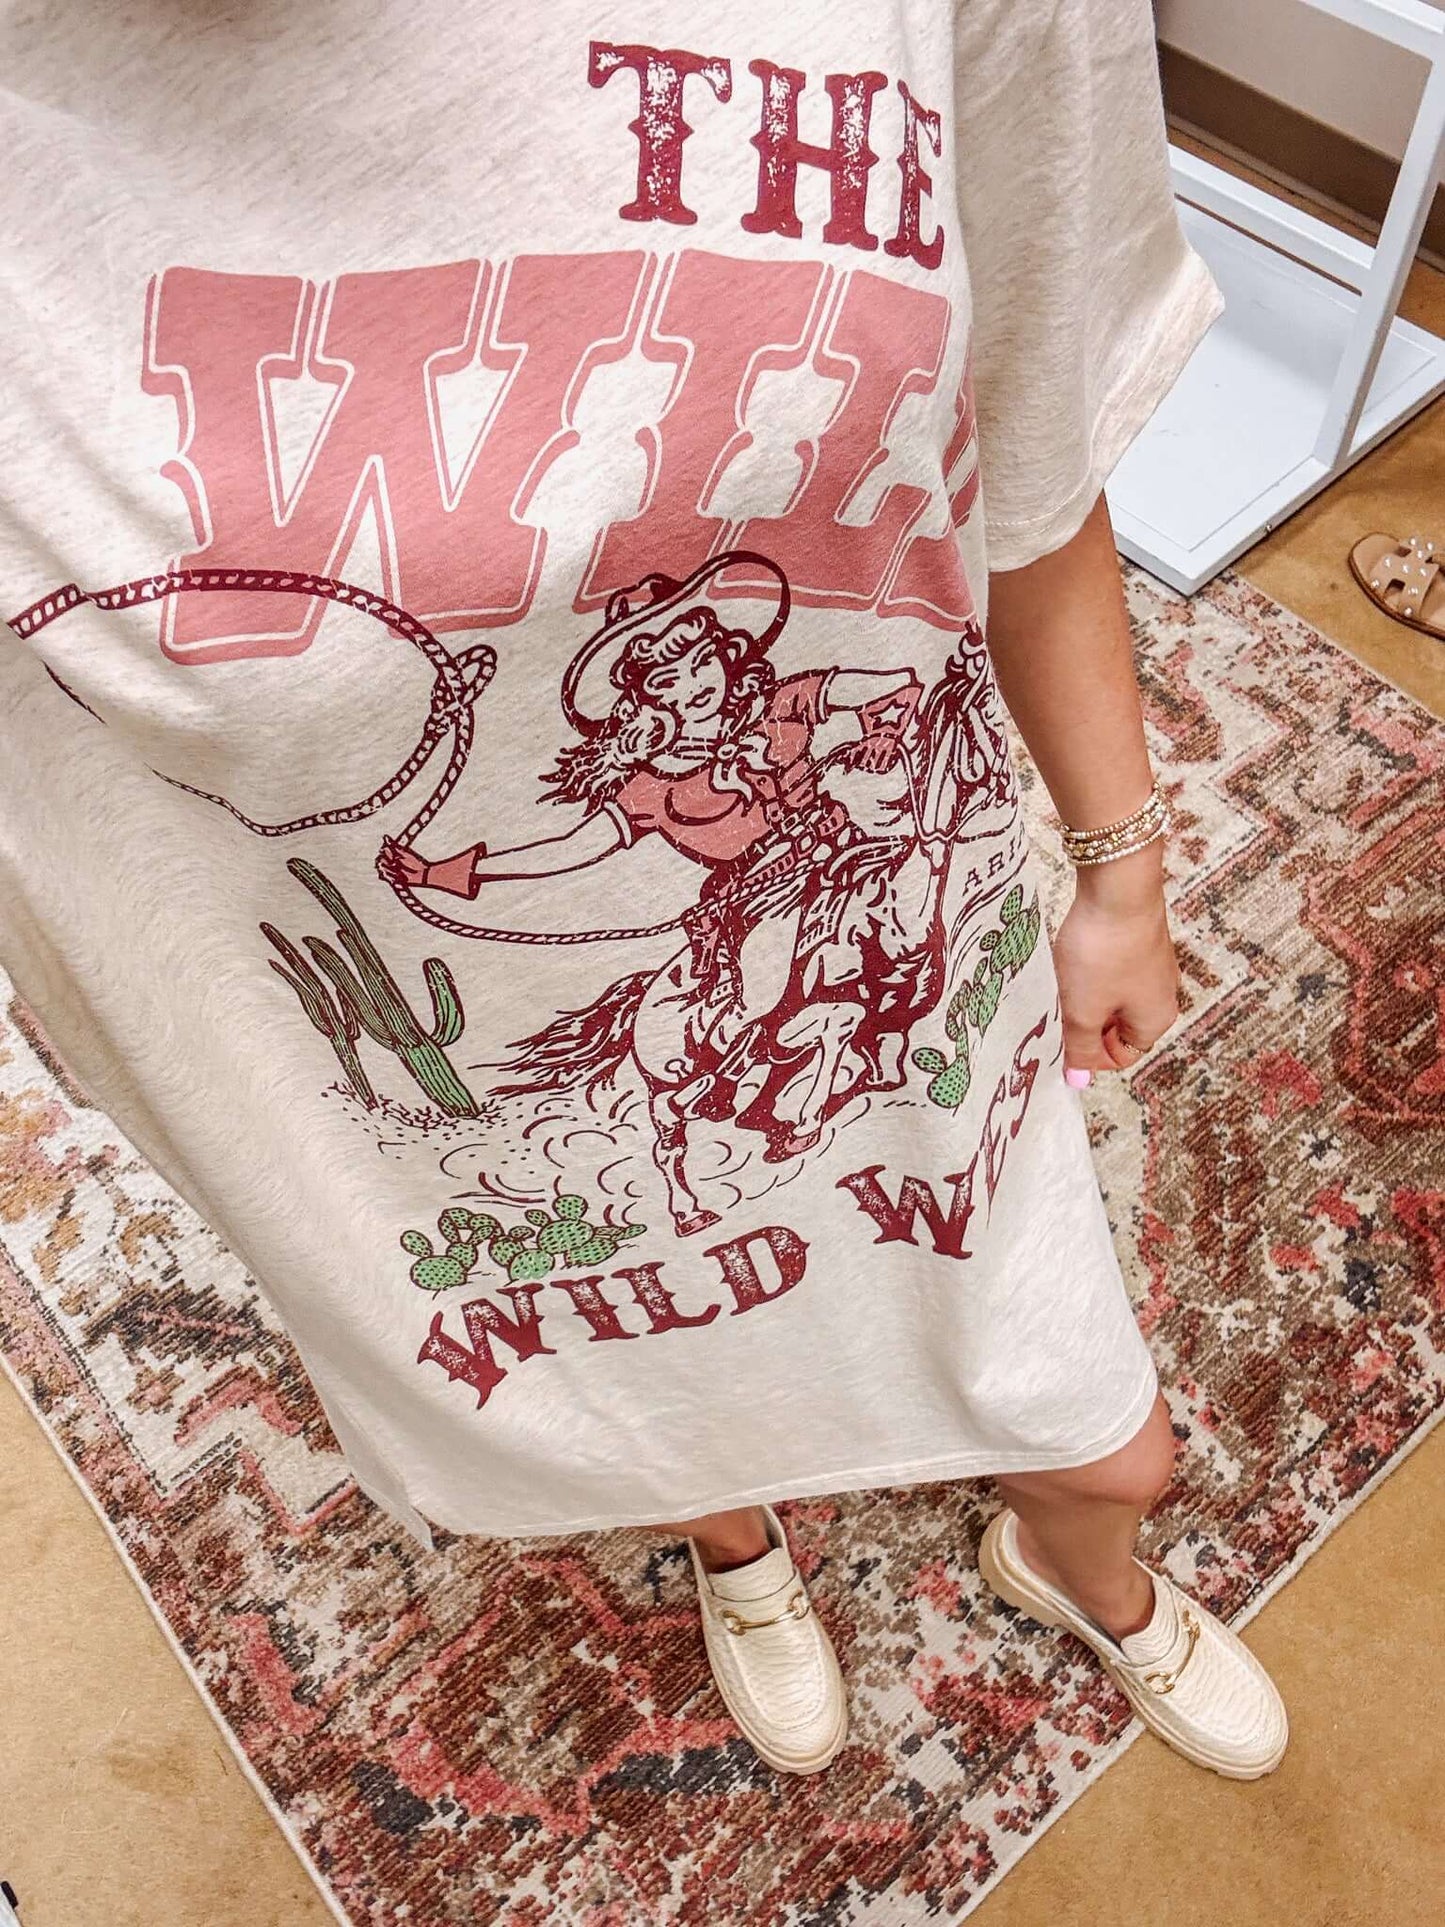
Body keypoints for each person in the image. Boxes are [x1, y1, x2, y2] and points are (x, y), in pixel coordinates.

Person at [0, 0, 1286, 1787]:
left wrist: (1116, 871)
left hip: (915, 957)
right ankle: (730, 1535)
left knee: (1104, 1437)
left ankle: (1079, 1561)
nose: (690, 676)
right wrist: (462, 872)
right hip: (608, 1038)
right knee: (686, 1369)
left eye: (698, 654)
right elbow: (570, 863)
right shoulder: (646, 798)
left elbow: (1029, 460)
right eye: (661, 672)